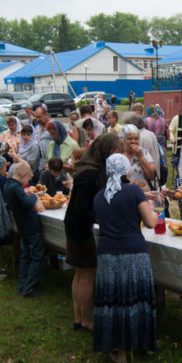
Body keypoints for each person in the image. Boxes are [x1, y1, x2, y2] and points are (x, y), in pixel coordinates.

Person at [92, 153, 159, 363]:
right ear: (127, 171)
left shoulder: (99, 196)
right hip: (134, 252)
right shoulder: (134, 191)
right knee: (137, 298)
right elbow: (150, 223)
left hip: (107, 254)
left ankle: (119, 352)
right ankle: (145, 344)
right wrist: (156, 212)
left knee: (114, 300)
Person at [64, 133, 123, 332]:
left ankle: (78, 318)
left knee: (80, 274)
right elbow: (81, 209)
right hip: (80, 227)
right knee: (88, 273)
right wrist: (98, 217)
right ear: (104, 150)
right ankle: (87, 320)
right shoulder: (89, 173)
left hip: (74, 224)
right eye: (115, 151)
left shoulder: (88, 168)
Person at [3, 162, 46, 297]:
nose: (28, 181)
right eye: (28, 178)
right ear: (23, 175)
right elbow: (27, 204)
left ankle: (23, 285)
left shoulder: (8, 185)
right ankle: (30, 287)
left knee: (26, 255)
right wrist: (33, 195)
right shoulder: (16, 188)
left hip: (21, 226)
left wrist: (25, 193)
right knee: (37, 255)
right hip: (30, 225)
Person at [120, 124, 156, 191]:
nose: (133, 141)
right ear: (123, 139)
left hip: (143, 192)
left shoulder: (144, 152)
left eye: (136, 139)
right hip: (123, 192)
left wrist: (141, 157)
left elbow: (152, 176)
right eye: (129, 139)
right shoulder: (118, 154)